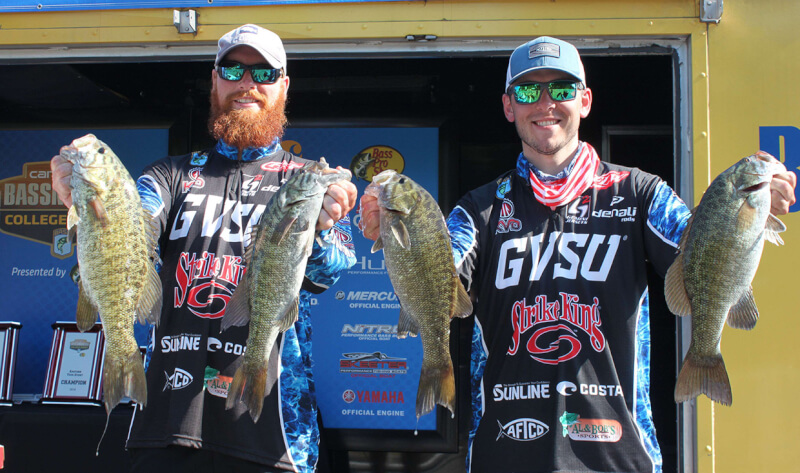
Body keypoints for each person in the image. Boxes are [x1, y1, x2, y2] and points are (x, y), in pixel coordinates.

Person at [359, 36, 797, 472]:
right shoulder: (478, 209)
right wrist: (401, 234)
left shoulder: (641, 193)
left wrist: (749, 209)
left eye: (563, 89)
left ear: (585, 101)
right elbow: (437, 275)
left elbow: (699, 248)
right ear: (510, 107)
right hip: (504, 454)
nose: (546, 102)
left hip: (617, 457)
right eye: (529, 91)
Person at [51, 24, 357, 473]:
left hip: (273, 433)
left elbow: (329, 274)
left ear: (284, 86)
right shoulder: (167, 176)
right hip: (167, 424)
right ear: (214, 80)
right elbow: (132, 234)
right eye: (233, 69)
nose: (247, 83)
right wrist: (90, 206)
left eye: (264, 73)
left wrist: (324, 228)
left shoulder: (311, 179)